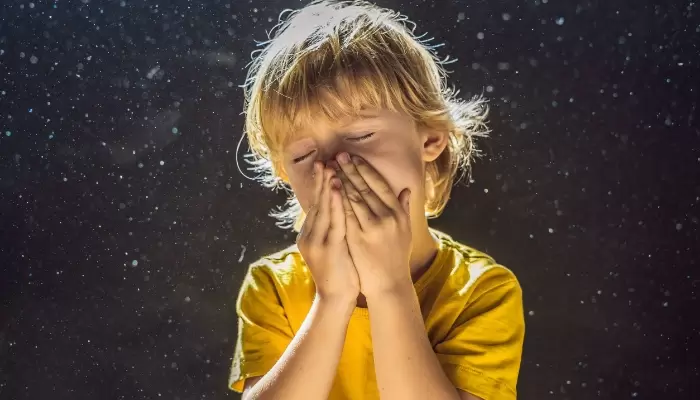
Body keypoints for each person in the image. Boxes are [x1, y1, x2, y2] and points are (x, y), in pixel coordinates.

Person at [228, 1, 525, 399]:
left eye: (361, 136)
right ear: (284, 175)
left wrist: (389, 286)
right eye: (302, 157)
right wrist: (333, 299)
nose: (334, 166)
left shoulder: (483, 292)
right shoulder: (273, 286)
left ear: (430, 138)